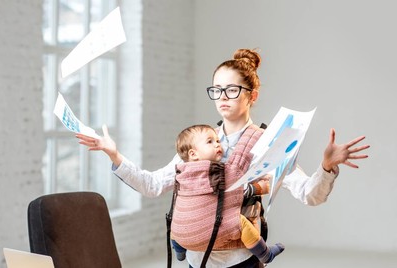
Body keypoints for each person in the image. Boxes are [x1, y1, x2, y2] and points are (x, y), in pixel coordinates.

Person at [76, 48, 370, 267]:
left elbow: (310, 195)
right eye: (216, 90)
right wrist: (113, 154)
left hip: (240, 260)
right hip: (196, 260)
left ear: (252, 95)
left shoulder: (270, 143)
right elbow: (152, 185)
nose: (222, 97)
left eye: (231, 89)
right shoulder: (200, 144)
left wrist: (327, 167)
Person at [170, 124, 284, 264]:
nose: (218, 145)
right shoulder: (217, 172)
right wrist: (257, 188)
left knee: (177, 219)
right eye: (210, 141)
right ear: (193, 154)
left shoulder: (181, 173)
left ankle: (179, 252)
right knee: (242, 223)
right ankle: (265, 253)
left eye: (218, 141)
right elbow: (235, 181)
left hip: (182, 237)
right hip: (209, 236)